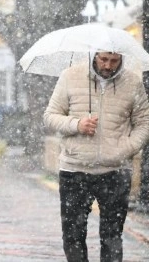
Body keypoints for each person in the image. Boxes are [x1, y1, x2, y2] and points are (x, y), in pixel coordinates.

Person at [43, 51, 149, 262]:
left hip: (115, 171)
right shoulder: (70, 76)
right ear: (94, 55)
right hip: (74, 170)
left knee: (112, 236)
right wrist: (76, 125)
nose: (108, 66)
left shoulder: (132, 82)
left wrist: (127, 148)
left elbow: (144, 122)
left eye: (114, 60)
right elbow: (50, 117)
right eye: (103, 59)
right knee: (73, 236)